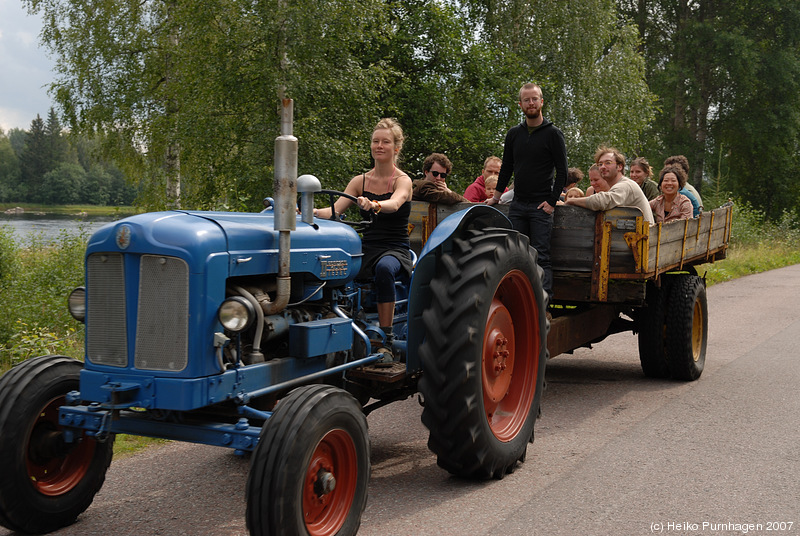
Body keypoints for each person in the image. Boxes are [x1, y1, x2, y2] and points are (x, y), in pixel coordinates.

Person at [314, 118, 413, 338]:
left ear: (396, 147)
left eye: (385, 142)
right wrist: (308, 212)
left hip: (394, 249)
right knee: (330, 264)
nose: (379, 146)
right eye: (375, 141)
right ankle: (337, 324)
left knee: (384, 269)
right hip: (366, 247)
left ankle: (386, 336)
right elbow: (334, 211)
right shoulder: (360, 181)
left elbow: (396, 203)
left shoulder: (402, 180)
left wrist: (375, 204)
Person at [486, 83, 568, 299]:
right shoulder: (514, 134)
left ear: (541, 101)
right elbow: (507, 167)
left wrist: (551, 201)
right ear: (520, 104)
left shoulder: (553, 134)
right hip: (518, 204)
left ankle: (543, 303)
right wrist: (496, 197)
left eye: (534, 99)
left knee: (541, 256)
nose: (531, 103)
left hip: (541, 206)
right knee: (514, 254)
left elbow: (562, 171)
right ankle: (516, 300)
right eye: (526, 100)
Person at [566, 146, 655, 224]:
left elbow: (603, 201)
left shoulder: (626, 184)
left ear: (620, 167)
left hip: (644, 239)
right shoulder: (617, 186)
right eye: (600, 164)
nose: (603, 167)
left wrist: (572, 201)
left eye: (608, 163)